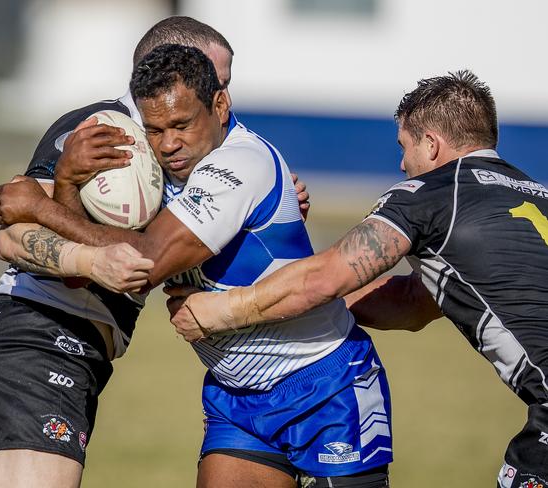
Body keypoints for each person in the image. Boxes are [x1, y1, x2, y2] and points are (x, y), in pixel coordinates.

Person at [0, 44, 393, 488]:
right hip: (236, 396)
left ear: (220, 105)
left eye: (182, 125)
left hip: (323, 383)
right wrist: (67, 180)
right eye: (156, 129)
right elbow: (81, 274)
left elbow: (148, 259)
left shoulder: (240, 164)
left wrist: (41, 207)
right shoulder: (153, 171)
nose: (169, 145)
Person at [0, 16, 306, 488]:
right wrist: (59, 194)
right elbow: (13, 236)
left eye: (224, 86)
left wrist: (267, 212)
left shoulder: (191, 152)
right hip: (38, 338)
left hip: (77, 349)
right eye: (215, 79)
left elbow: (167, 239)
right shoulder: (98, 131)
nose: (223, 100)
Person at [166, 70, 548, 488]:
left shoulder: (428, 196)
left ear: (432, 145)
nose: (403, 165)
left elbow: (324, 280)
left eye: (405, 148)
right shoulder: (533, 193)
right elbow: (412, 304)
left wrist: (222, 309)